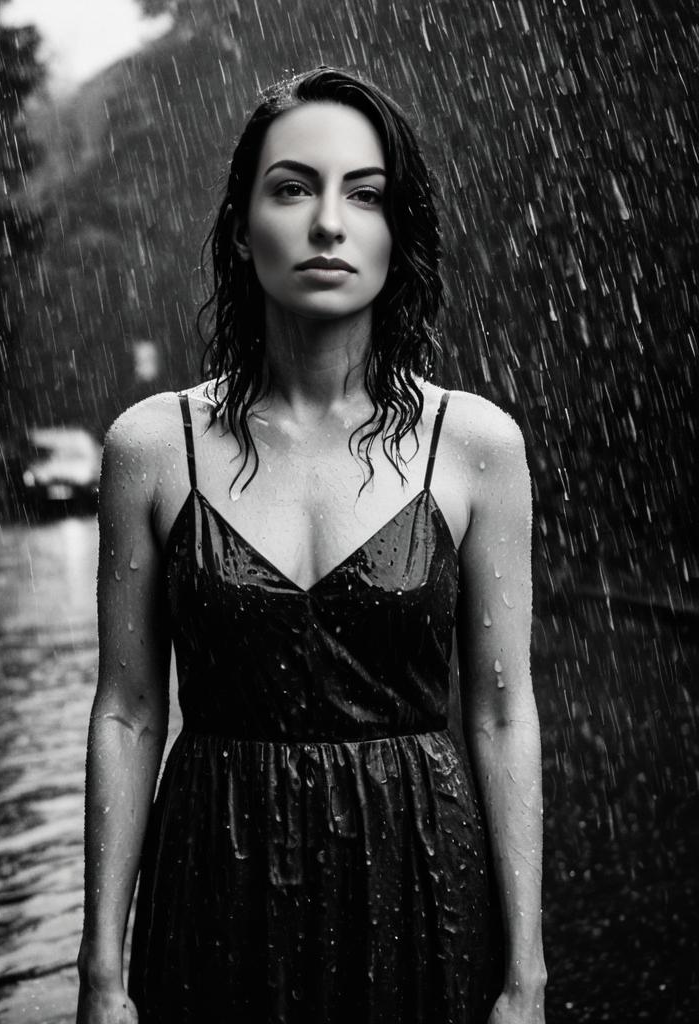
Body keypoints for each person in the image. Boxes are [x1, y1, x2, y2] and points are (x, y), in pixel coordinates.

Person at [76, 68, 546, 1024]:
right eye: (293, 187)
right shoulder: (151, 448)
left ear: (395, 234)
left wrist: (526, 975)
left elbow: (502, 715)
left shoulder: (478, 446)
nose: (329, 222)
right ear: (244, 229)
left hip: (421, 889)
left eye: (364, 195)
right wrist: (101, 974)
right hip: (213, 890)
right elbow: (127, 712)